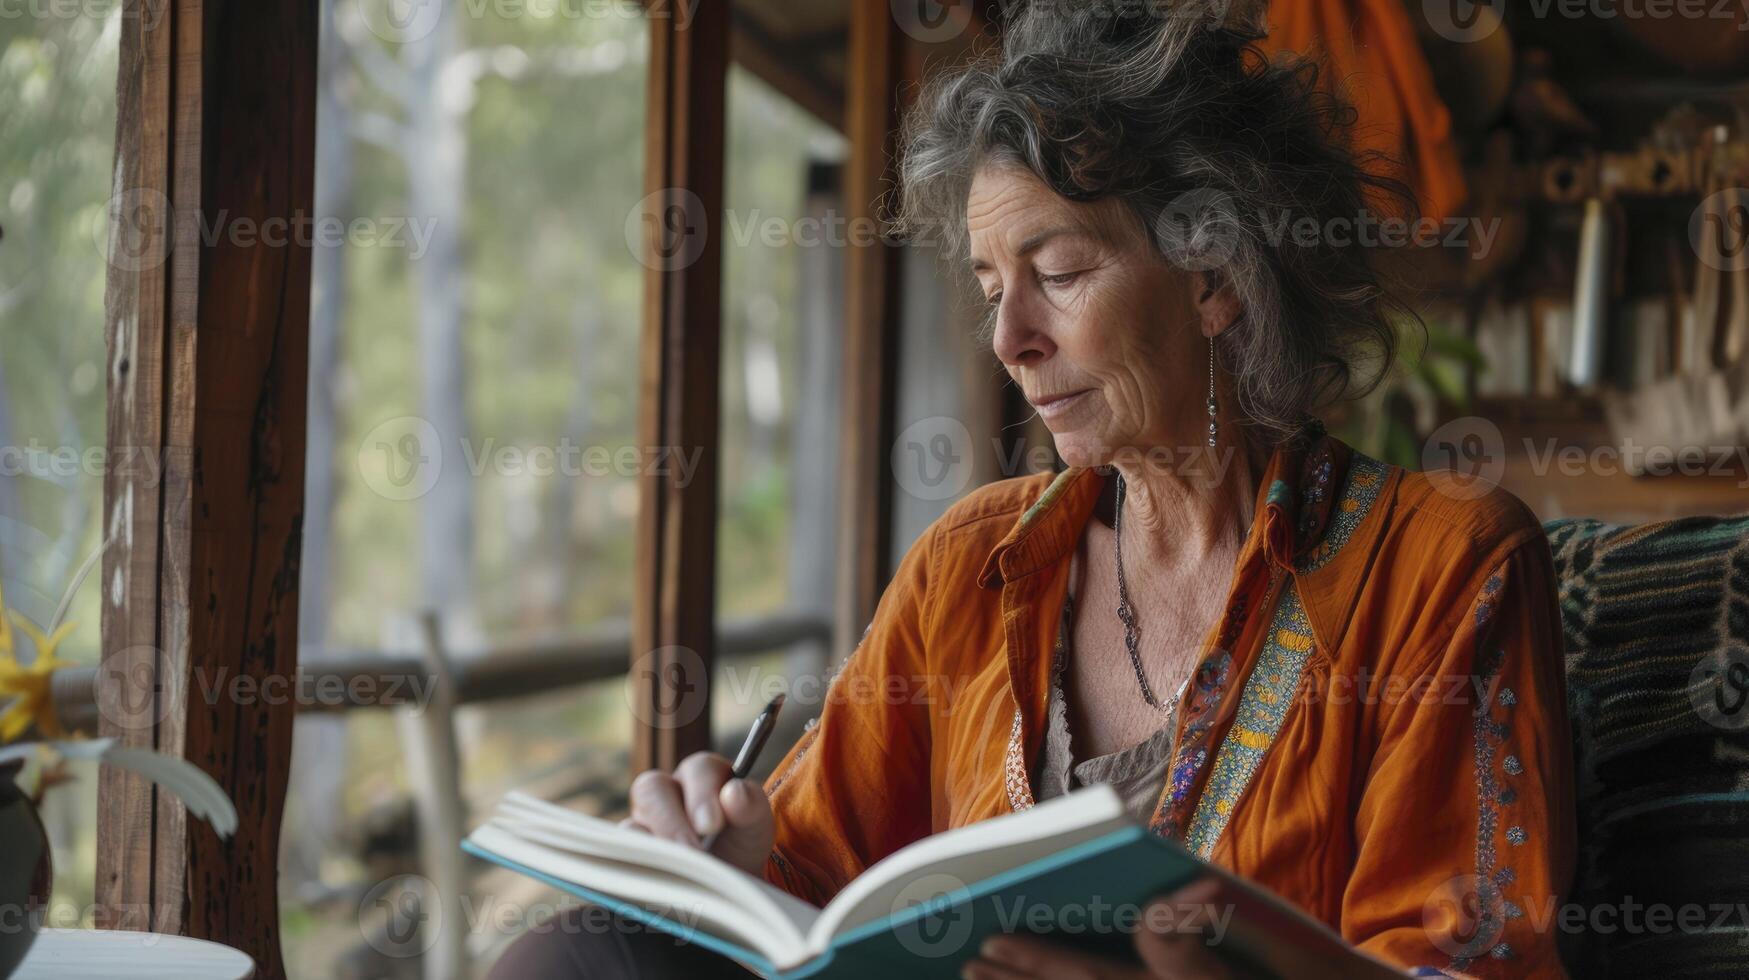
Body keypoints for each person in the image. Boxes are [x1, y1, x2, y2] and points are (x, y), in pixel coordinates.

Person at [492, 2, 1574, 977]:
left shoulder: (1445, 564)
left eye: (1058, 275)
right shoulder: (973, 563)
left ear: (1213, 276)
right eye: (991, 288)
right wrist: (727, 868)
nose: (1011, 339)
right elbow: (819, 882)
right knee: (575, 951)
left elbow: (1465, 960)